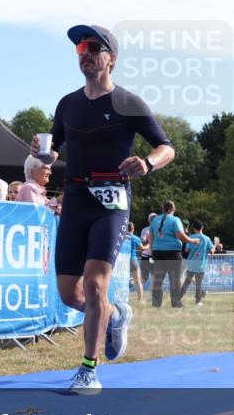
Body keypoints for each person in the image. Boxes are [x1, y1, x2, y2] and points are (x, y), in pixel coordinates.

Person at [31, 23, 175, 394]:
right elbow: (54, 151)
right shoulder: (68, 104)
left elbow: (166, 147)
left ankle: (88, 369)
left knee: (96, 283)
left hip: (112, 199)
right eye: (81, 48)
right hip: (75, 199)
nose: (86, 53)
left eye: (94, 47)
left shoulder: (127, 102)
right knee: (68, 294)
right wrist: (41, 153)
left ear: (111, 59)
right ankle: (114, 314)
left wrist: (147, 162)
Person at [150, 200, 198, 308]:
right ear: (173, 209)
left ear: (163, 209)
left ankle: (156, 303)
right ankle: (176, 303)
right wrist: (192, 241)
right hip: (173, 253)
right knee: (175, 279)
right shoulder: (175, 220)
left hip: (158, 252)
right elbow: (180, 235)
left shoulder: (155, 220)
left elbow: (151, 236)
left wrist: (153, 251)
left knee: (158, 279)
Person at [179, 220, 213, 306]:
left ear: (194, 228)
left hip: (191, 263)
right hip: (201, 264)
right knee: (198, 284)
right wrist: (215, 245)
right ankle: (198, 301)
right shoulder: (207, 238)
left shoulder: (191, 237)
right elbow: (212, 251)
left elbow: (187, 250)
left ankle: (177, 298)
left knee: (186, 282)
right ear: (202, 228)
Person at [126, 222, 144, 302]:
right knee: (137, 281)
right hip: (133, 260)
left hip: (123, 260)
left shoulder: (121, 237)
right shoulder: (135, 238)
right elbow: (142, 248)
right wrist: (149, 245)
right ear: (133, 229)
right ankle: (140, 300)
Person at [139, 213, 156, 287]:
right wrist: (148, 239)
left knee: (154, 277)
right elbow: (142, 243)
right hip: (146, 256)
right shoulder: (145, 230)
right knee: (144, 279)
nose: (153, 220)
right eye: (152, 219)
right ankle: (133, 283)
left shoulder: (159, 230)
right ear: (149, 220)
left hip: (155, 256)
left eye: (155, 219)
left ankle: (152, 297)